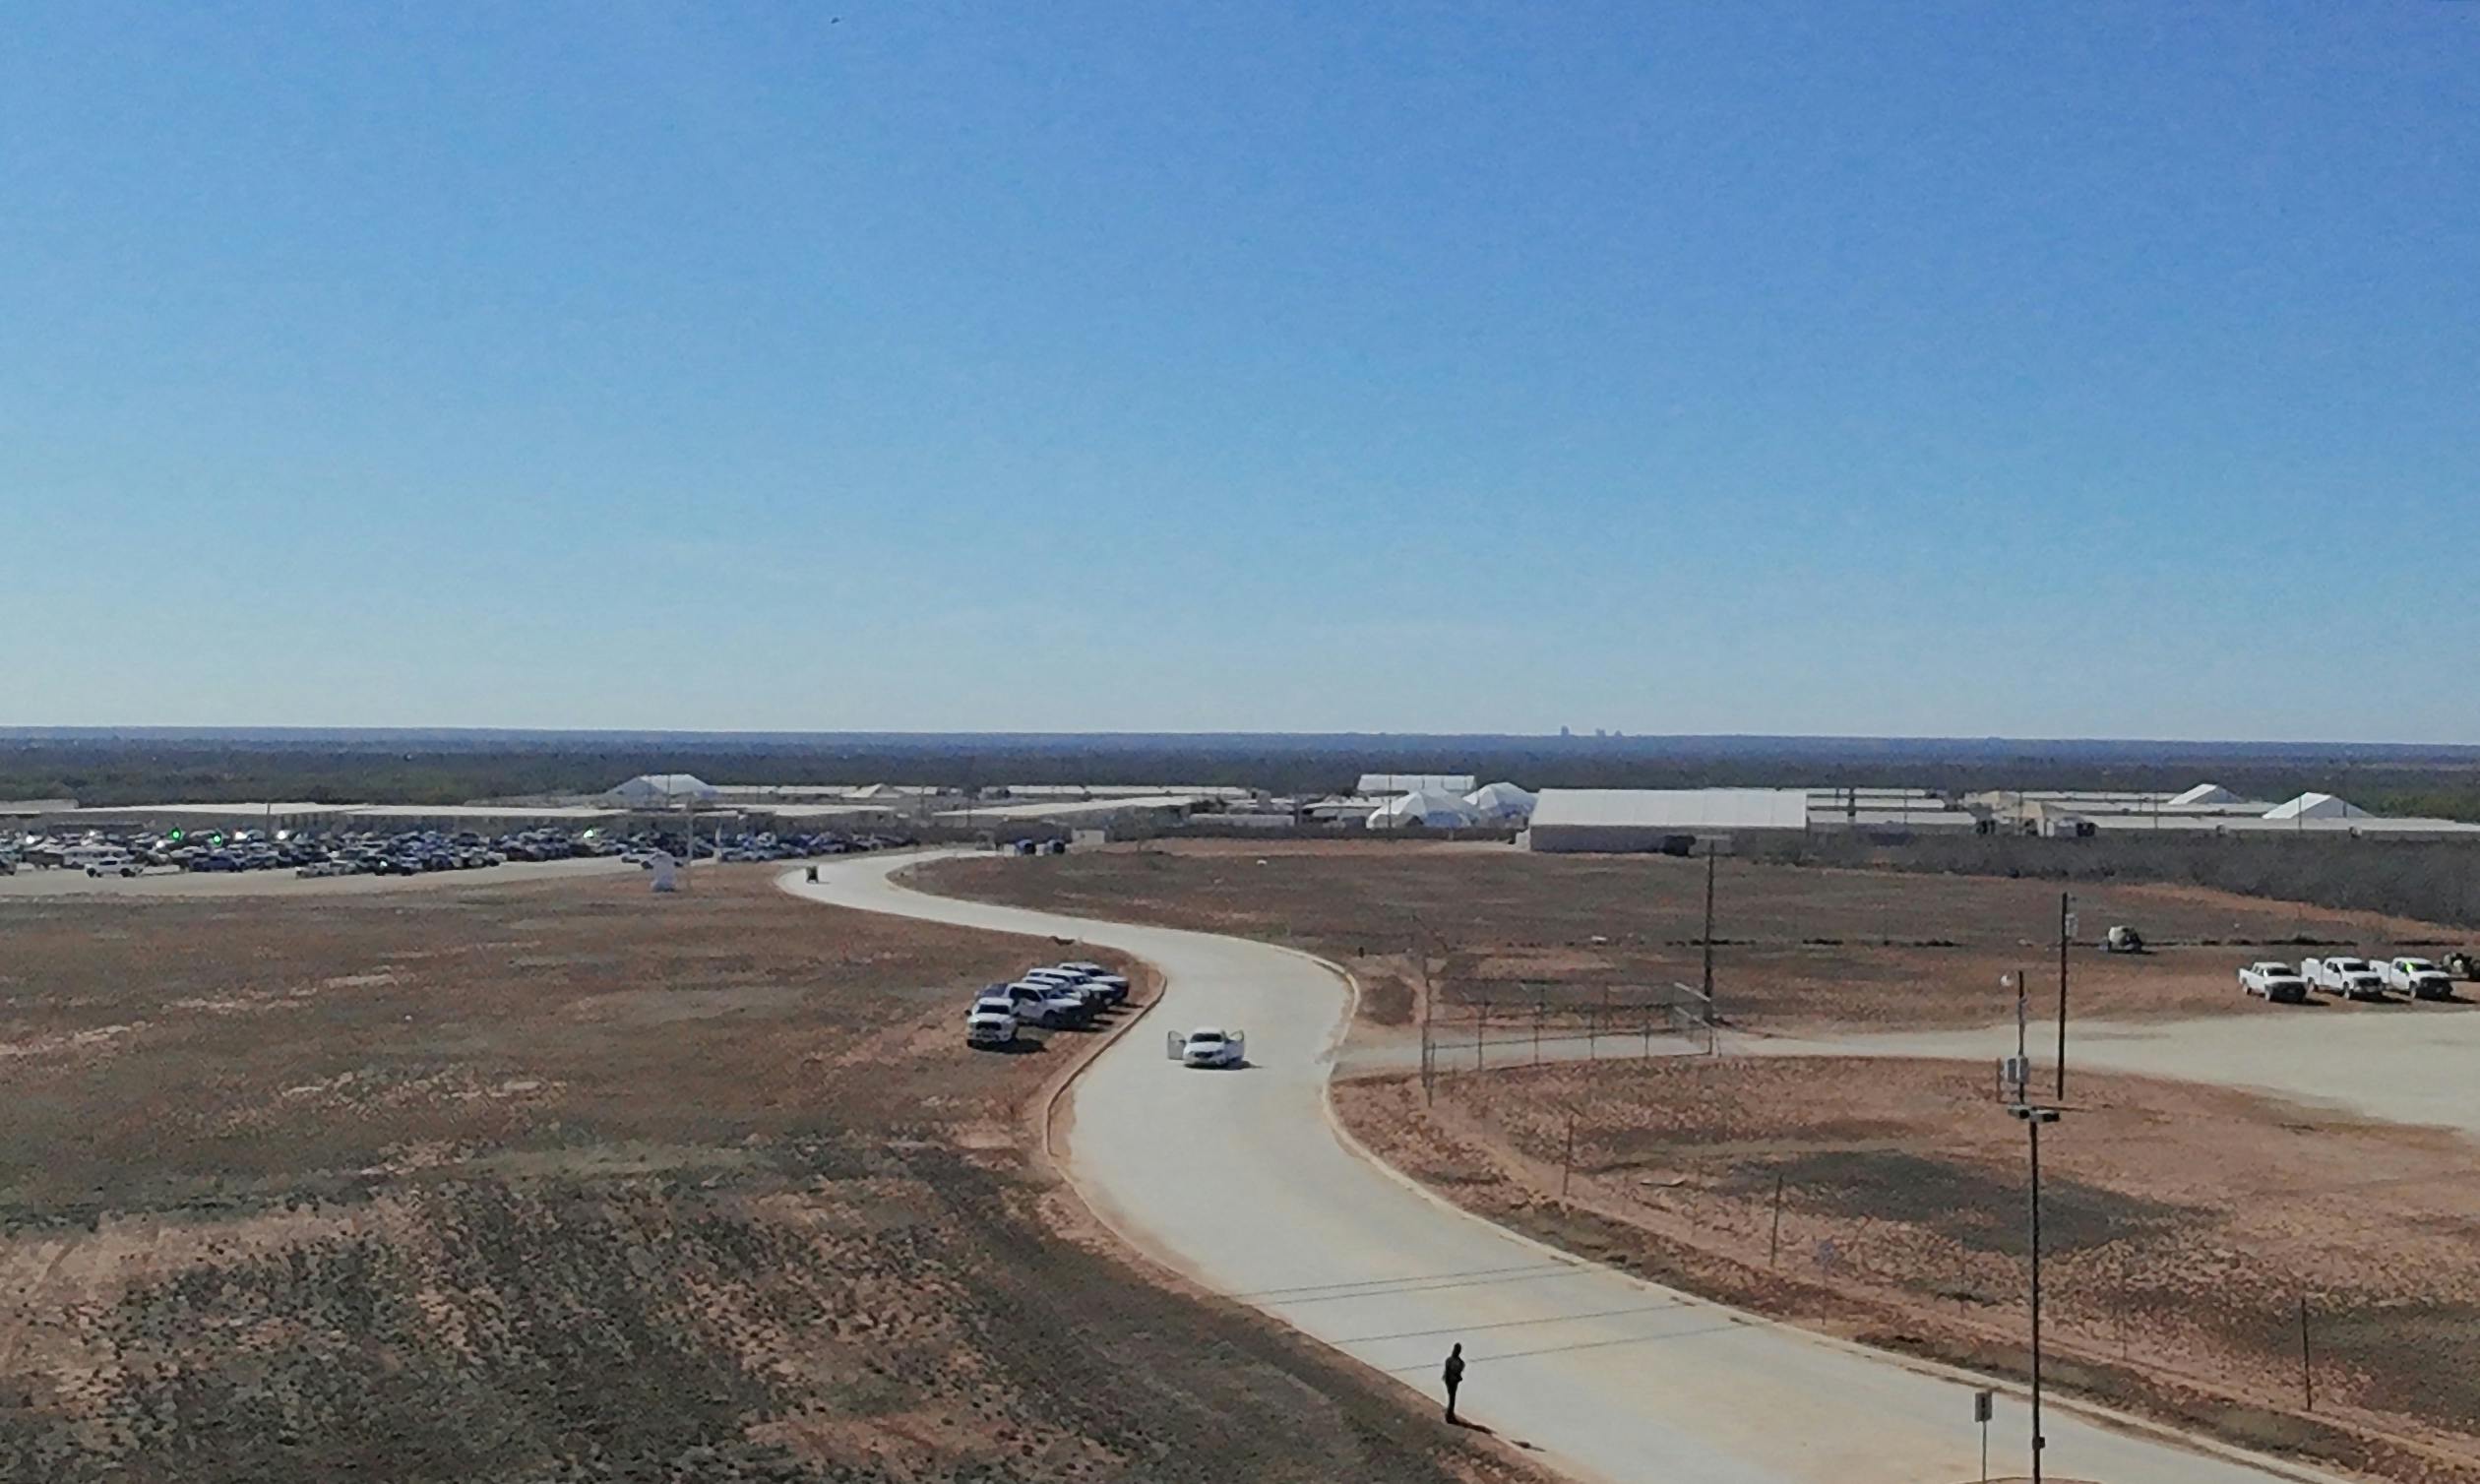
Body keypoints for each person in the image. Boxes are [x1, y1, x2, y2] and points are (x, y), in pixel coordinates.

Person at [1442, 1342, 1465, 1423]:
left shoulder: (1449, 1360)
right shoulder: (1459, 1362)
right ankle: (1449, 1415)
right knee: (1452, 1399)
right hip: (1452, 1382)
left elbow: (1447, 1371)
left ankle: (1449, 1414)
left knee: (1451, 1399)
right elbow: (1457, 1372)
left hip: (1450, 1381)